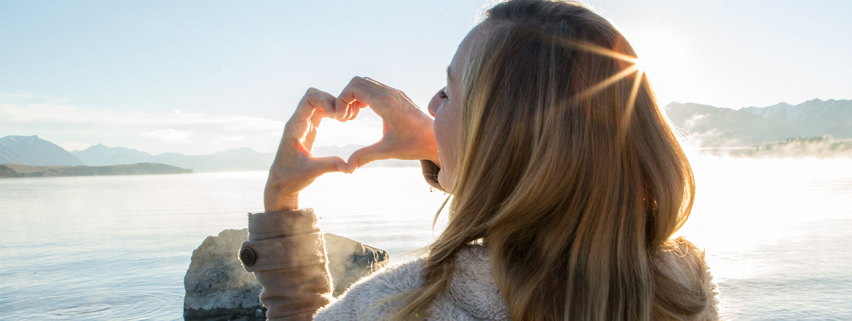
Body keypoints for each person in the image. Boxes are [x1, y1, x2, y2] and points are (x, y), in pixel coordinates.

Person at [239, 0, 719, 320]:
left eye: (448, 92)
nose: (429, 106)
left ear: (494, 137)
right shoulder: (681, 285)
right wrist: (450, 145)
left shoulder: (399, 306)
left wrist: (281, 201)